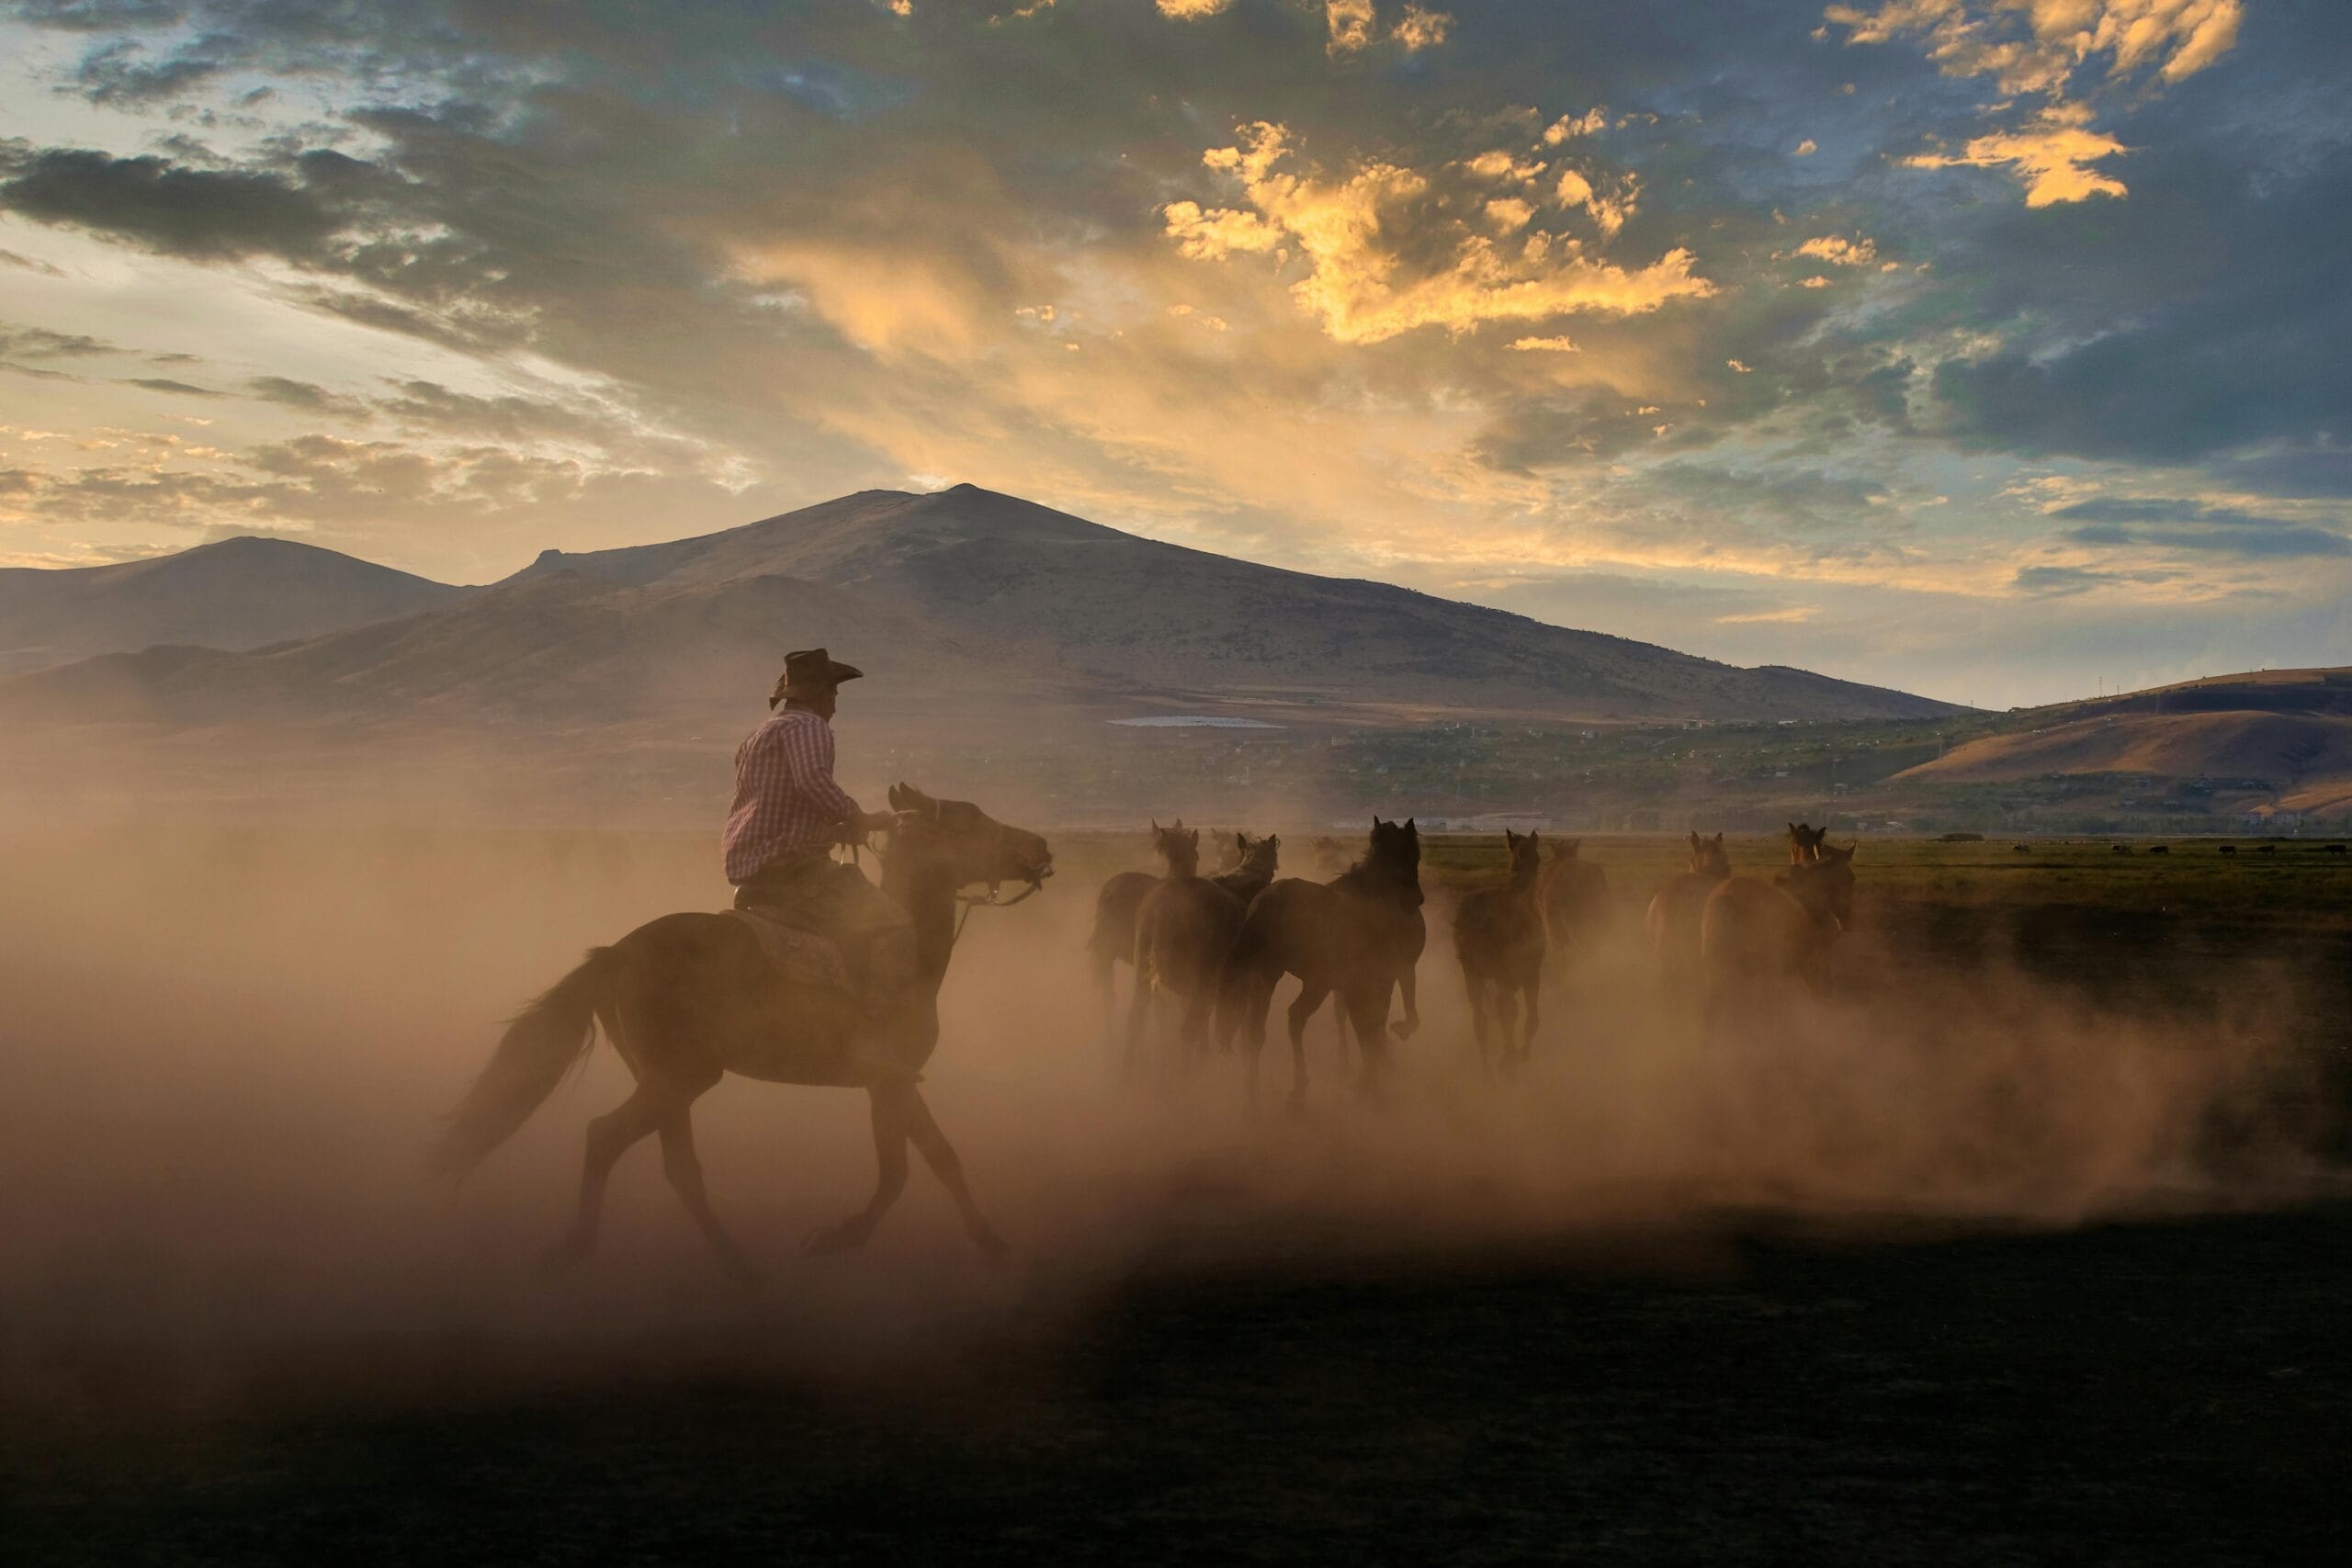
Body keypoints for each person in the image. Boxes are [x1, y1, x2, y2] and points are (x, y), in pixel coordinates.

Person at [723, 648, 922, 1050]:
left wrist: (835, 826)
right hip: (795, 868)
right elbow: (812, 782)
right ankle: (879, 1041)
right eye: (834, 695)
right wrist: (858, 818)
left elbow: (781, 799)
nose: (835, 705)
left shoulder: (759, 734)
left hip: (753, 868)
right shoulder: (810, 728)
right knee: (893, 925)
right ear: (820, 694)